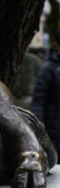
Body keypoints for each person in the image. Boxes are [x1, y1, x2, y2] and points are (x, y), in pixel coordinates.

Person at [31, 29, 60, 159]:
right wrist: (40, 131)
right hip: (54, 133)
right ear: (57, 46)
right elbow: (38, 101)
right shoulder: (49, 69)